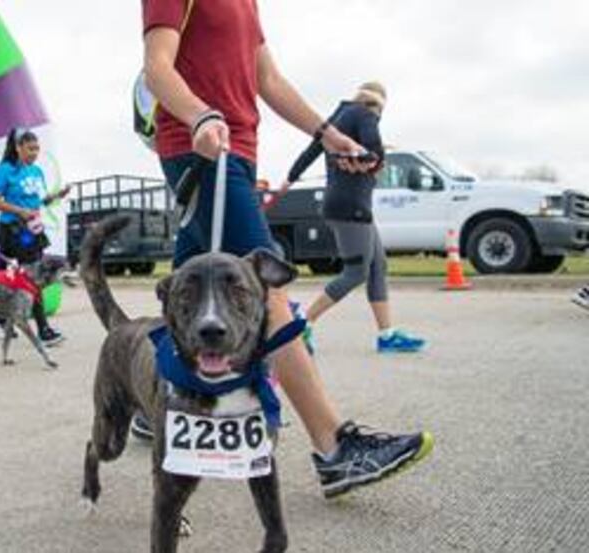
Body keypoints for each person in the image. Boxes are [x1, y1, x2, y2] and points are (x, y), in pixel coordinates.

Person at [141, 1, 433, 498]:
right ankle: (335, 449)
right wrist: (198, 116)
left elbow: (269, 80)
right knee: (262, 289)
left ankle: (152, 407)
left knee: (186, 290)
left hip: (238, 149)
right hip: (202, 146)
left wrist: (330, 135)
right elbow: (157, 68)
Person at [284, 82, 426, 353]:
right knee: (356, 272)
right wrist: (377, 156)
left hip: (348, 203)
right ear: (378, 105)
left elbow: (310, 152)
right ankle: (301, 325)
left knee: (377, 266)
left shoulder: (336, 120)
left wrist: (289, 179)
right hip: (350, 205)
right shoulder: (365, 113)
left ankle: (386, 335)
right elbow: (373, 143)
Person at [0, 128, 67, 347]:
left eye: (37, 148)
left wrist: (56, 196)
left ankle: (41, 328)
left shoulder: (36, 171)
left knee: (32, 277)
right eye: (30, 148)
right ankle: (36, 327)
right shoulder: (5, 170)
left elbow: (38, 201)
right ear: (18, 147)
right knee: (14, 277)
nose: (34, 153)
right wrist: (19, 211)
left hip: (33, 230)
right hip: (12, 231)